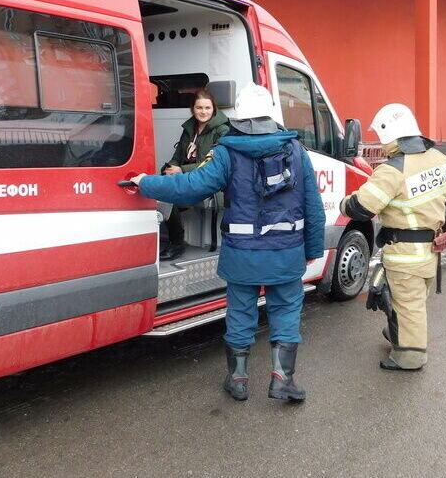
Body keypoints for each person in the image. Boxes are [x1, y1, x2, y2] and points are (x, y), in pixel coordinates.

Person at [132, 84, 324, 402]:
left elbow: (191, 186)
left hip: (242, 254)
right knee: (286, 311)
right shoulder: (296, 151)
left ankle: (238, 380)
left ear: (238, 115)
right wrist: (313, 249)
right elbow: (313, 206)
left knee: (240, 312)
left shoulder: (226, 151)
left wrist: (146, 183)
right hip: (286, 251)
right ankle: (282, 379)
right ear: (270, 114)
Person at [339, 103, 446, 371]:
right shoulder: (439, 159)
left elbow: (362, 208)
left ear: (389, 133)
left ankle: (409, 357)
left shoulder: (393, 170)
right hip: (430, 250)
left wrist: (344, 203)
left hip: (405, 254)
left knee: (408, 305)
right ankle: (398, 335)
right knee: (413, 302)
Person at [159, 90, 230, 261]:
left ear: (214, 109)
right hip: (187, 178)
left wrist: (182, 170)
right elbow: (177, 157)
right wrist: (169, 168)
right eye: (199, 108)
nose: (203, 112)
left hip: (211, 183)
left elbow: (215, 164)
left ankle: (177, 243)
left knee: (169, 196)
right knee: (158, 190)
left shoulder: (222, 130)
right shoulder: (189, 129)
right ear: (193, 109)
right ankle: (162, 240)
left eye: (207, 108)